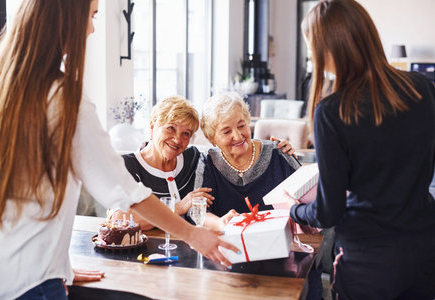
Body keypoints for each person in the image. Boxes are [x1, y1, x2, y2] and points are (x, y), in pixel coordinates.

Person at [0, 1, 238, 299]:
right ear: (66, 18)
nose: (92, 29)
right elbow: (125, 194)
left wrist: (60, 267)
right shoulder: (65, 99)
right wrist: (194, 235)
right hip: (32, 284)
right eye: (91, 16)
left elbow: (26, 196)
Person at [287, 0, 435, 299]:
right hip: (424, 247)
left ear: (326, 50)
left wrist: (295, 210)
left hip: (369, 258)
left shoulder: (332, 111)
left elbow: (328, 212)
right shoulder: (423, 87)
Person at [198, 92, 301, 230]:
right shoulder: (207, 163)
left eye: (241, 126)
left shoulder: (280, 153)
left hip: (279, 243)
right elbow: (198, 210)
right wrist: (219, 223)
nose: (238, 136)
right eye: (227, 132)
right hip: (228, 245)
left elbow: (308, 201)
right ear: (212, 139)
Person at [115, 96, 214, 230]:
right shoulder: (128, 166)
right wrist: (178, 207)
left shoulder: (193, 158)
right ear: (152, 126)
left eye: (186, 133)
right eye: (170, 128)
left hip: (190, 245)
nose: (178, 139)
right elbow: (120, 219)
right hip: (150, 248)